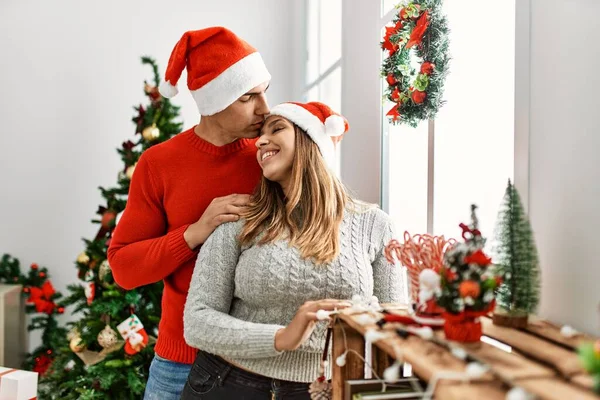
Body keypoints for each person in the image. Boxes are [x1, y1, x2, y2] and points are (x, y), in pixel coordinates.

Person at [181, 101, 404, 399]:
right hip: (227, 383)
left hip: (326, 389)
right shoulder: (240, 219)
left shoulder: (376, 225)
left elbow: (395, 328)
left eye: (277, 128)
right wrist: (281, 337)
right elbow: (197, 320)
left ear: (310, 140)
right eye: (260, 133)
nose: (260, 141)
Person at [107, 27, 272, 400]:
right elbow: (124, 268)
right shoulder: (159, 163)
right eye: (248, 97)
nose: (264, 108)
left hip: (260, 361)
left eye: (264, 92)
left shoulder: (271, 155)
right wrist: (194, 233)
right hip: (180, 362)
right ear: (213, 101)